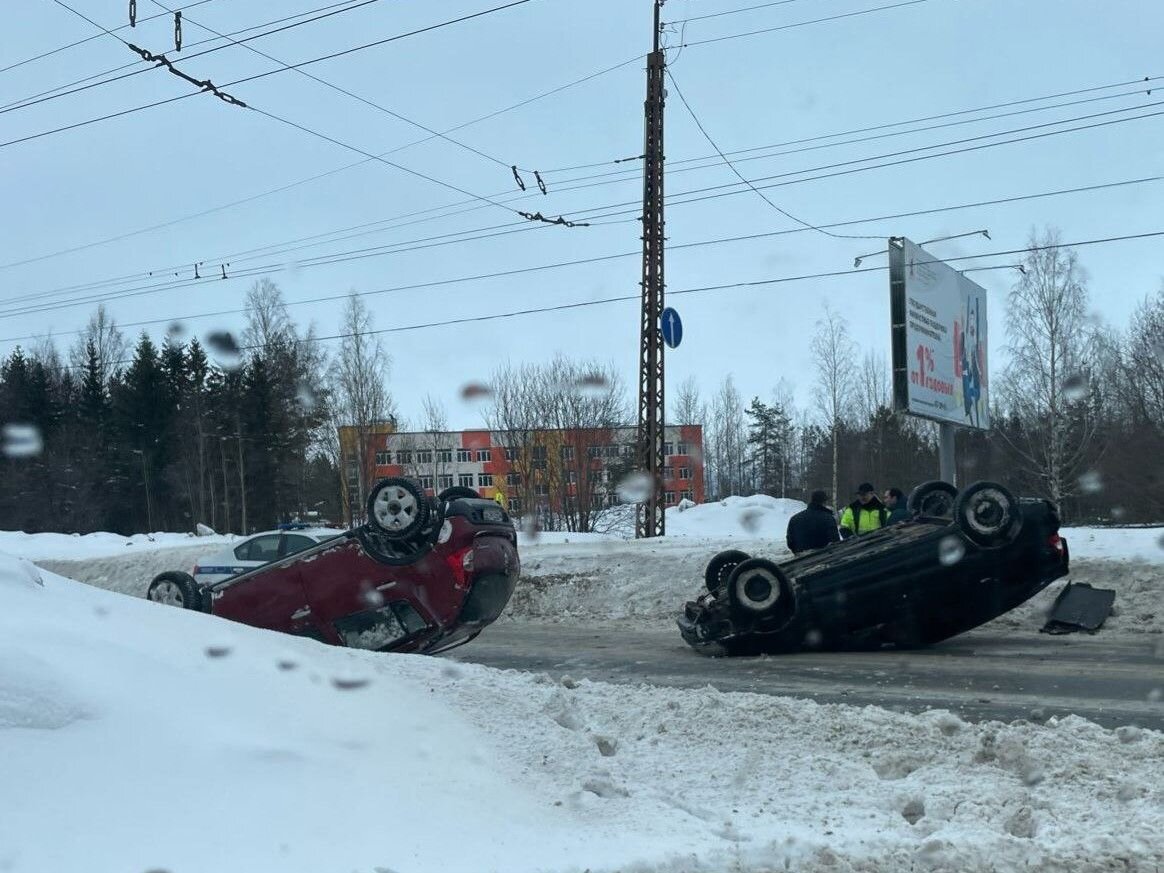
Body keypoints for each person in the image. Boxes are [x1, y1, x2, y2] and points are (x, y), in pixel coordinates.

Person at [786, 490, 840, 555]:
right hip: (823, 558)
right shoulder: (828, 518)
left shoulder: (794, 518)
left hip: (800, 559)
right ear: (824, 502)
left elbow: (790, 542)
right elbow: (835, 541)